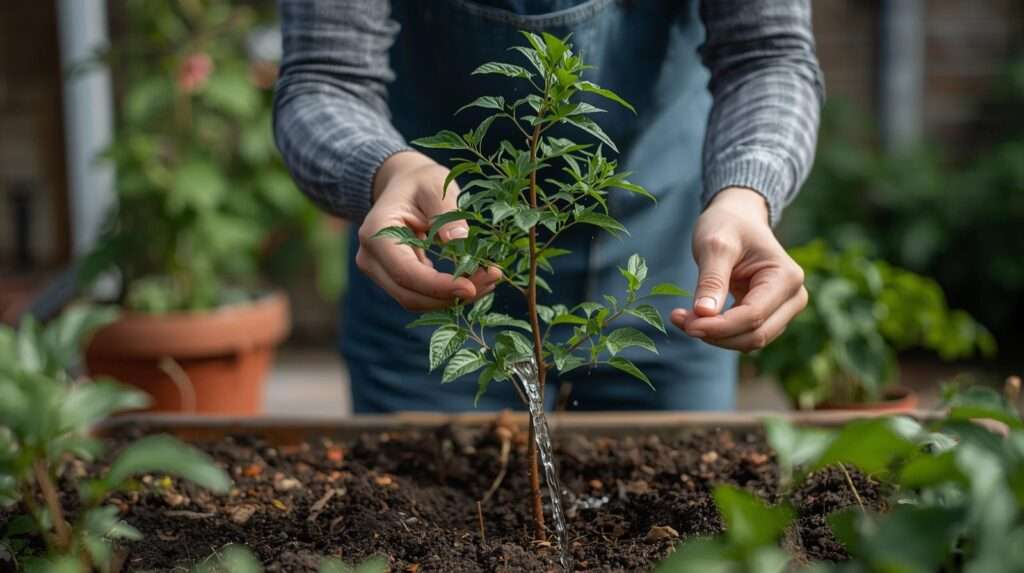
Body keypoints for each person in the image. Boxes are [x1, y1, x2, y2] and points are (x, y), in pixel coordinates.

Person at [273, 0, 822, 413]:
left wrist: (745, 195)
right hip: (436, 273)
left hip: (669, 266)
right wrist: (388, 170)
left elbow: (768, 55)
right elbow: (324, 78)